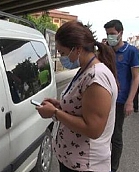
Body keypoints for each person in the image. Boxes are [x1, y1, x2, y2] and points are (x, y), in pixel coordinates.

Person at [36, 20, 118, 172]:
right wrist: (59, 104)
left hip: (86, 165)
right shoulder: (85, 70)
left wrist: (55, 113)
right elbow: (81, 105)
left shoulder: (96, 78)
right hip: (72, 161)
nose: (62, 57)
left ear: (77, 49)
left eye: (63, 53)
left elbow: (93, 129)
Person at [104, 19, 139, 172]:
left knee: (116, 136)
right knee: (100, 133)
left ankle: (113, 168)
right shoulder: (106, 50)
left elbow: (135, 77)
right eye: (107, 34)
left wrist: (130, 101)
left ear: (121, 33)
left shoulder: (131, 51)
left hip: (119, 100)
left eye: (112, 34)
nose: (110, 37)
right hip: (104, 98)